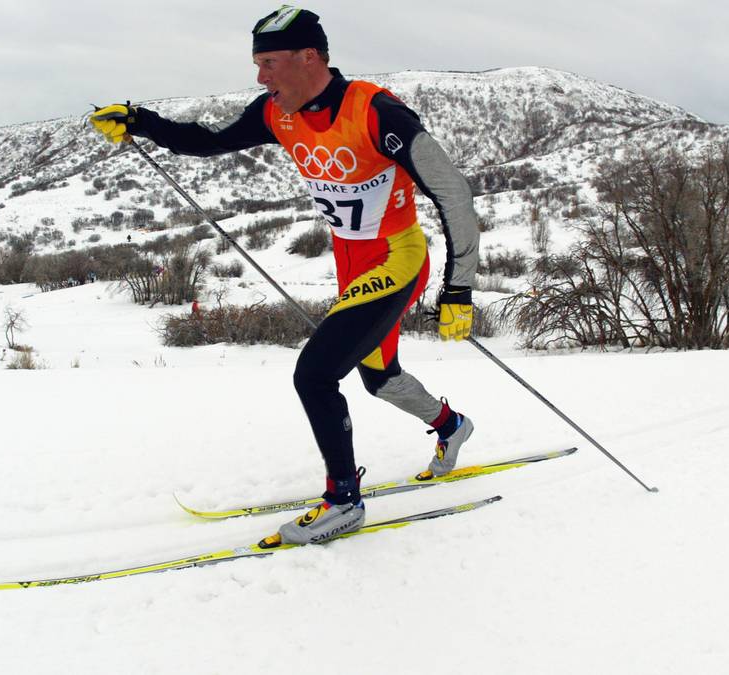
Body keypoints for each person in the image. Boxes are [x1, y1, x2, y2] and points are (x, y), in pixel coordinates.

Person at [90, 6, 480, 544]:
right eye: (257, 64)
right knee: (378, 376)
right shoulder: (278, 112)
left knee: (315, 374)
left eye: (269, 63)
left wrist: (457, 289)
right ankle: (450, 426)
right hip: (350, 260)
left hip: (396, 257)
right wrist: (141, 121)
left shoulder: (376, 113)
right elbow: (207, 142)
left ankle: (344, 500)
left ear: (310, 57)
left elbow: (454, 194)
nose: (261, 77)